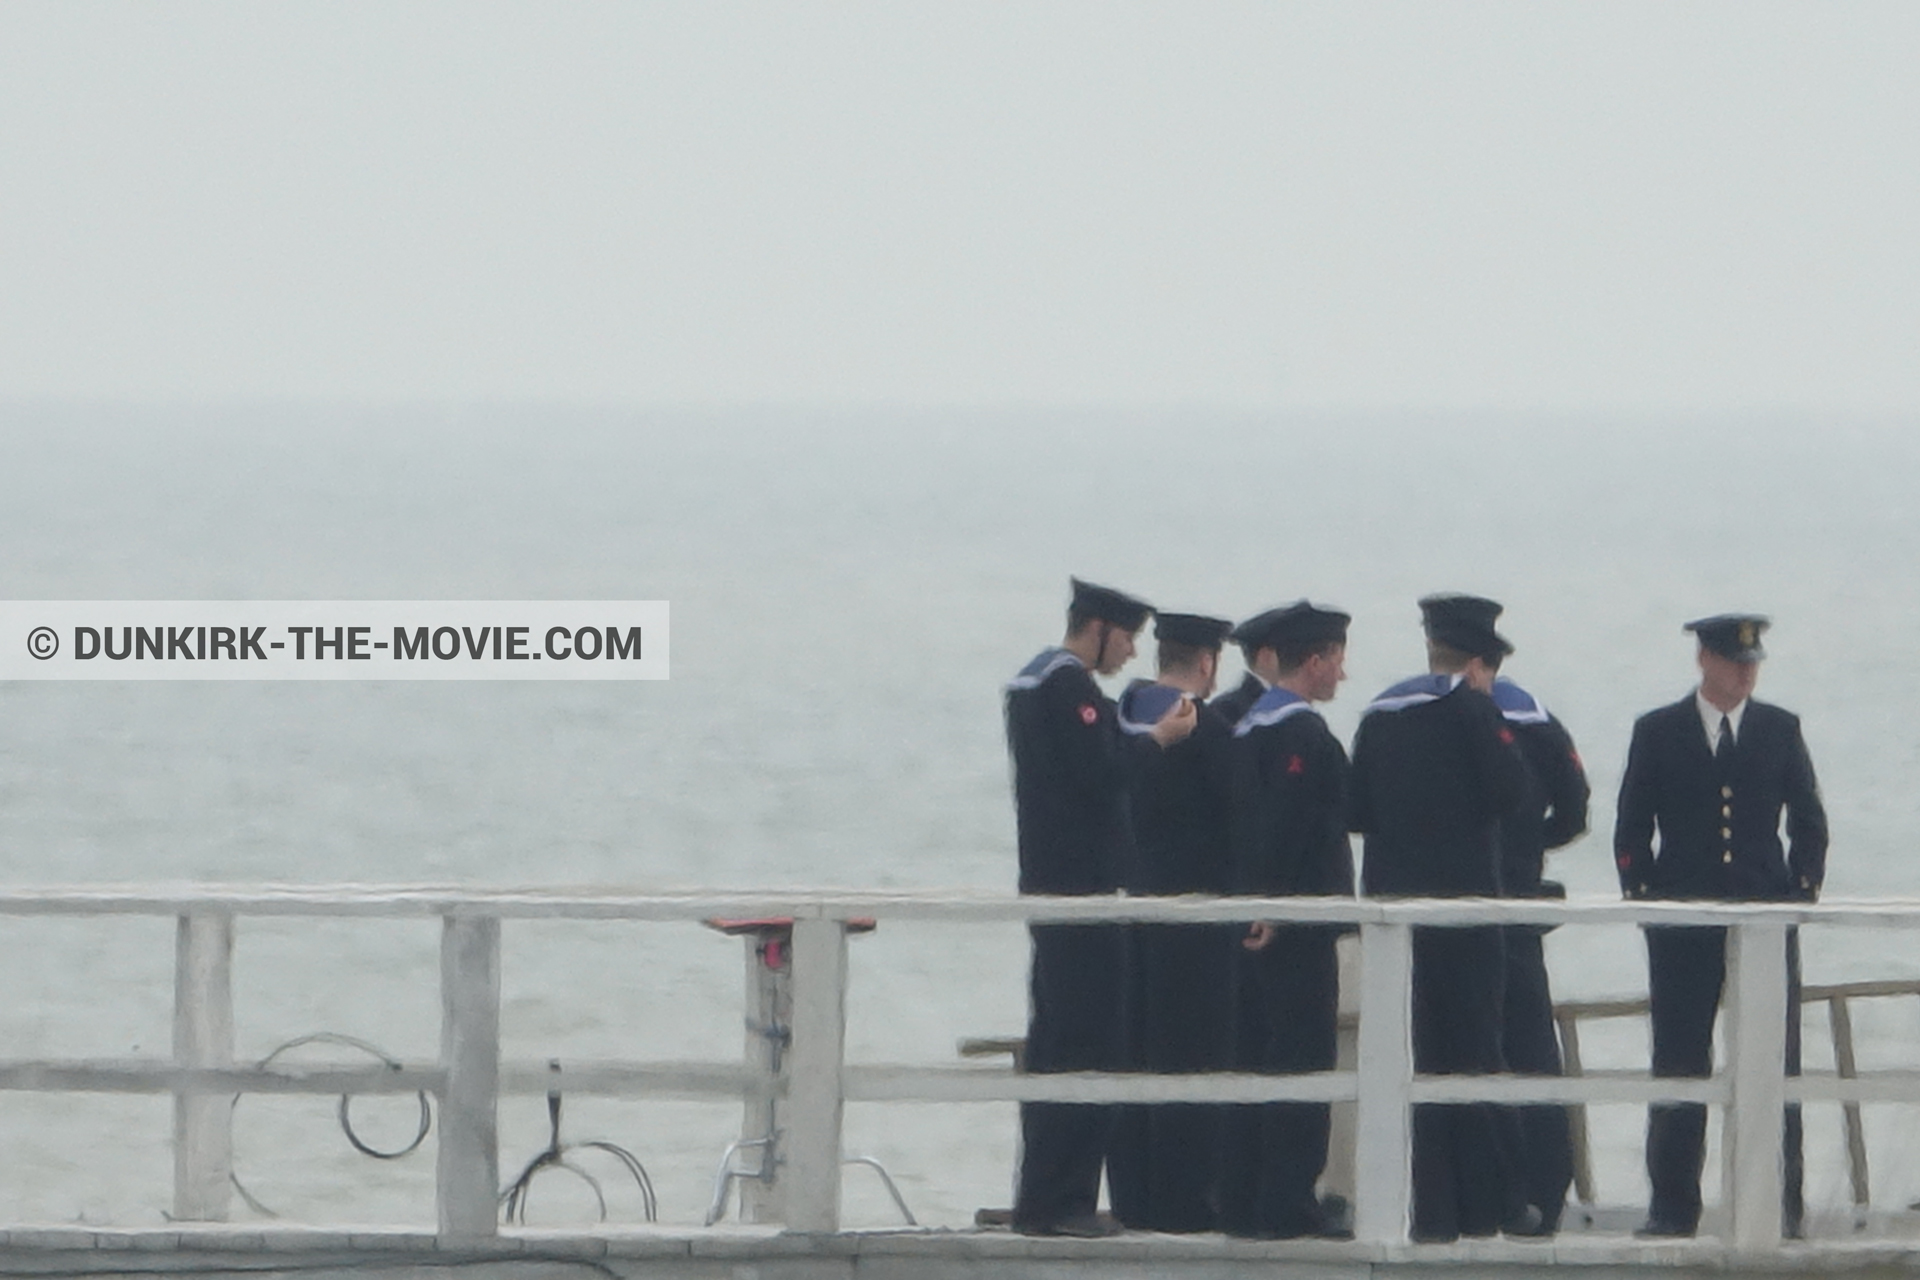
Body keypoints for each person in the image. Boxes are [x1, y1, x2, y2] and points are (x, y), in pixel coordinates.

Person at [1615, 614, 1828, 1239]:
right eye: (1735, 660)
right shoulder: (1658, 731)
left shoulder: (1779, 729)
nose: (1746, 670)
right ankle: (1673, 1206)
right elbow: (1632, 826)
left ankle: (1783, 1205)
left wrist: (1799, 895)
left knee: (1777, 1062)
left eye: (1753, 661)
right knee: (1679, 1062)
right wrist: (1648, 898)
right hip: (1685, 922)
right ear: (1704, 661)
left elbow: (1809, 823)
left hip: (1764, 919)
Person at [1004, 576, 1195, 1237]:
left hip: (1051, 883)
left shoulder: (1030, 682)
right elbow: (1101, 774)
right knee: (1091, 1040)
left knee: (1055, 1039)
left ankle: (1042, 1195)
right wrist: (1158, 740)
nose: (1129, 654)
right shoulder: (1069, 687)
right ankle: (1066, 1200)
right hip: (1085, 889)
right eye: (1126, 639)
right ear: (1099, 629)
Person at [1347, 593, 1532, 1242]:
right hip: (1467, 913)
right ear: (1480, 662)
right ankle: (1492, 1204)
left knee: (1411, 1057)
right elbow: (1513, 793)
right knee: (1475, 1056)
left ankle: (1427, 1209)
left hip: (1396, 908)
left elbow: (1356, 809)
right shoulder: (1474, 712)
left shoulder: (1381, 713)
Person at [1217, 601, 1355, 1239]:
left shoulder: (1249, 726)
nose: (1342, 675)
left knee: (1254, 1055)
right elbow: (1288, 821)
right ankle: (1288, 1197)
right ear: (1317, 660)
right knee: (1301, 1058)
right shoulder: (1301, 734)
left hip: (1255, 920)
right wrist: (1271, 901)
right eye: (1337, 659)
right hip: (1296, 926)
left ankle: (1245, 1193)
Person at [1110, 611, 1236, 1233]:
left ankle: (1133, 1197)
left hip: (1131, 908)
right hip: (1196, 919)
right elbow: (1241, 810)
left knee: (1134, 1051)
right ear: (1208, 664)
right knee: (1195, 1056)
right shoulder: (1203, 725)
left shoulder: (1123, 714)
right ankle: (1188, 1201)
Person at [1489, 673, 1590, 1235]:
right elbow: (1575, 811)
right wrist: (1529, 841)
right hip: (1521, 903)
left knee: (1466, 1049)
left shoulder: (1417, 713)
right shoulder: (1534, 718)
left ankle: (1484, 1188)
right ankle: (1547, 1186)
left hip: (1456, 907)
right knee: (1531, 1046)